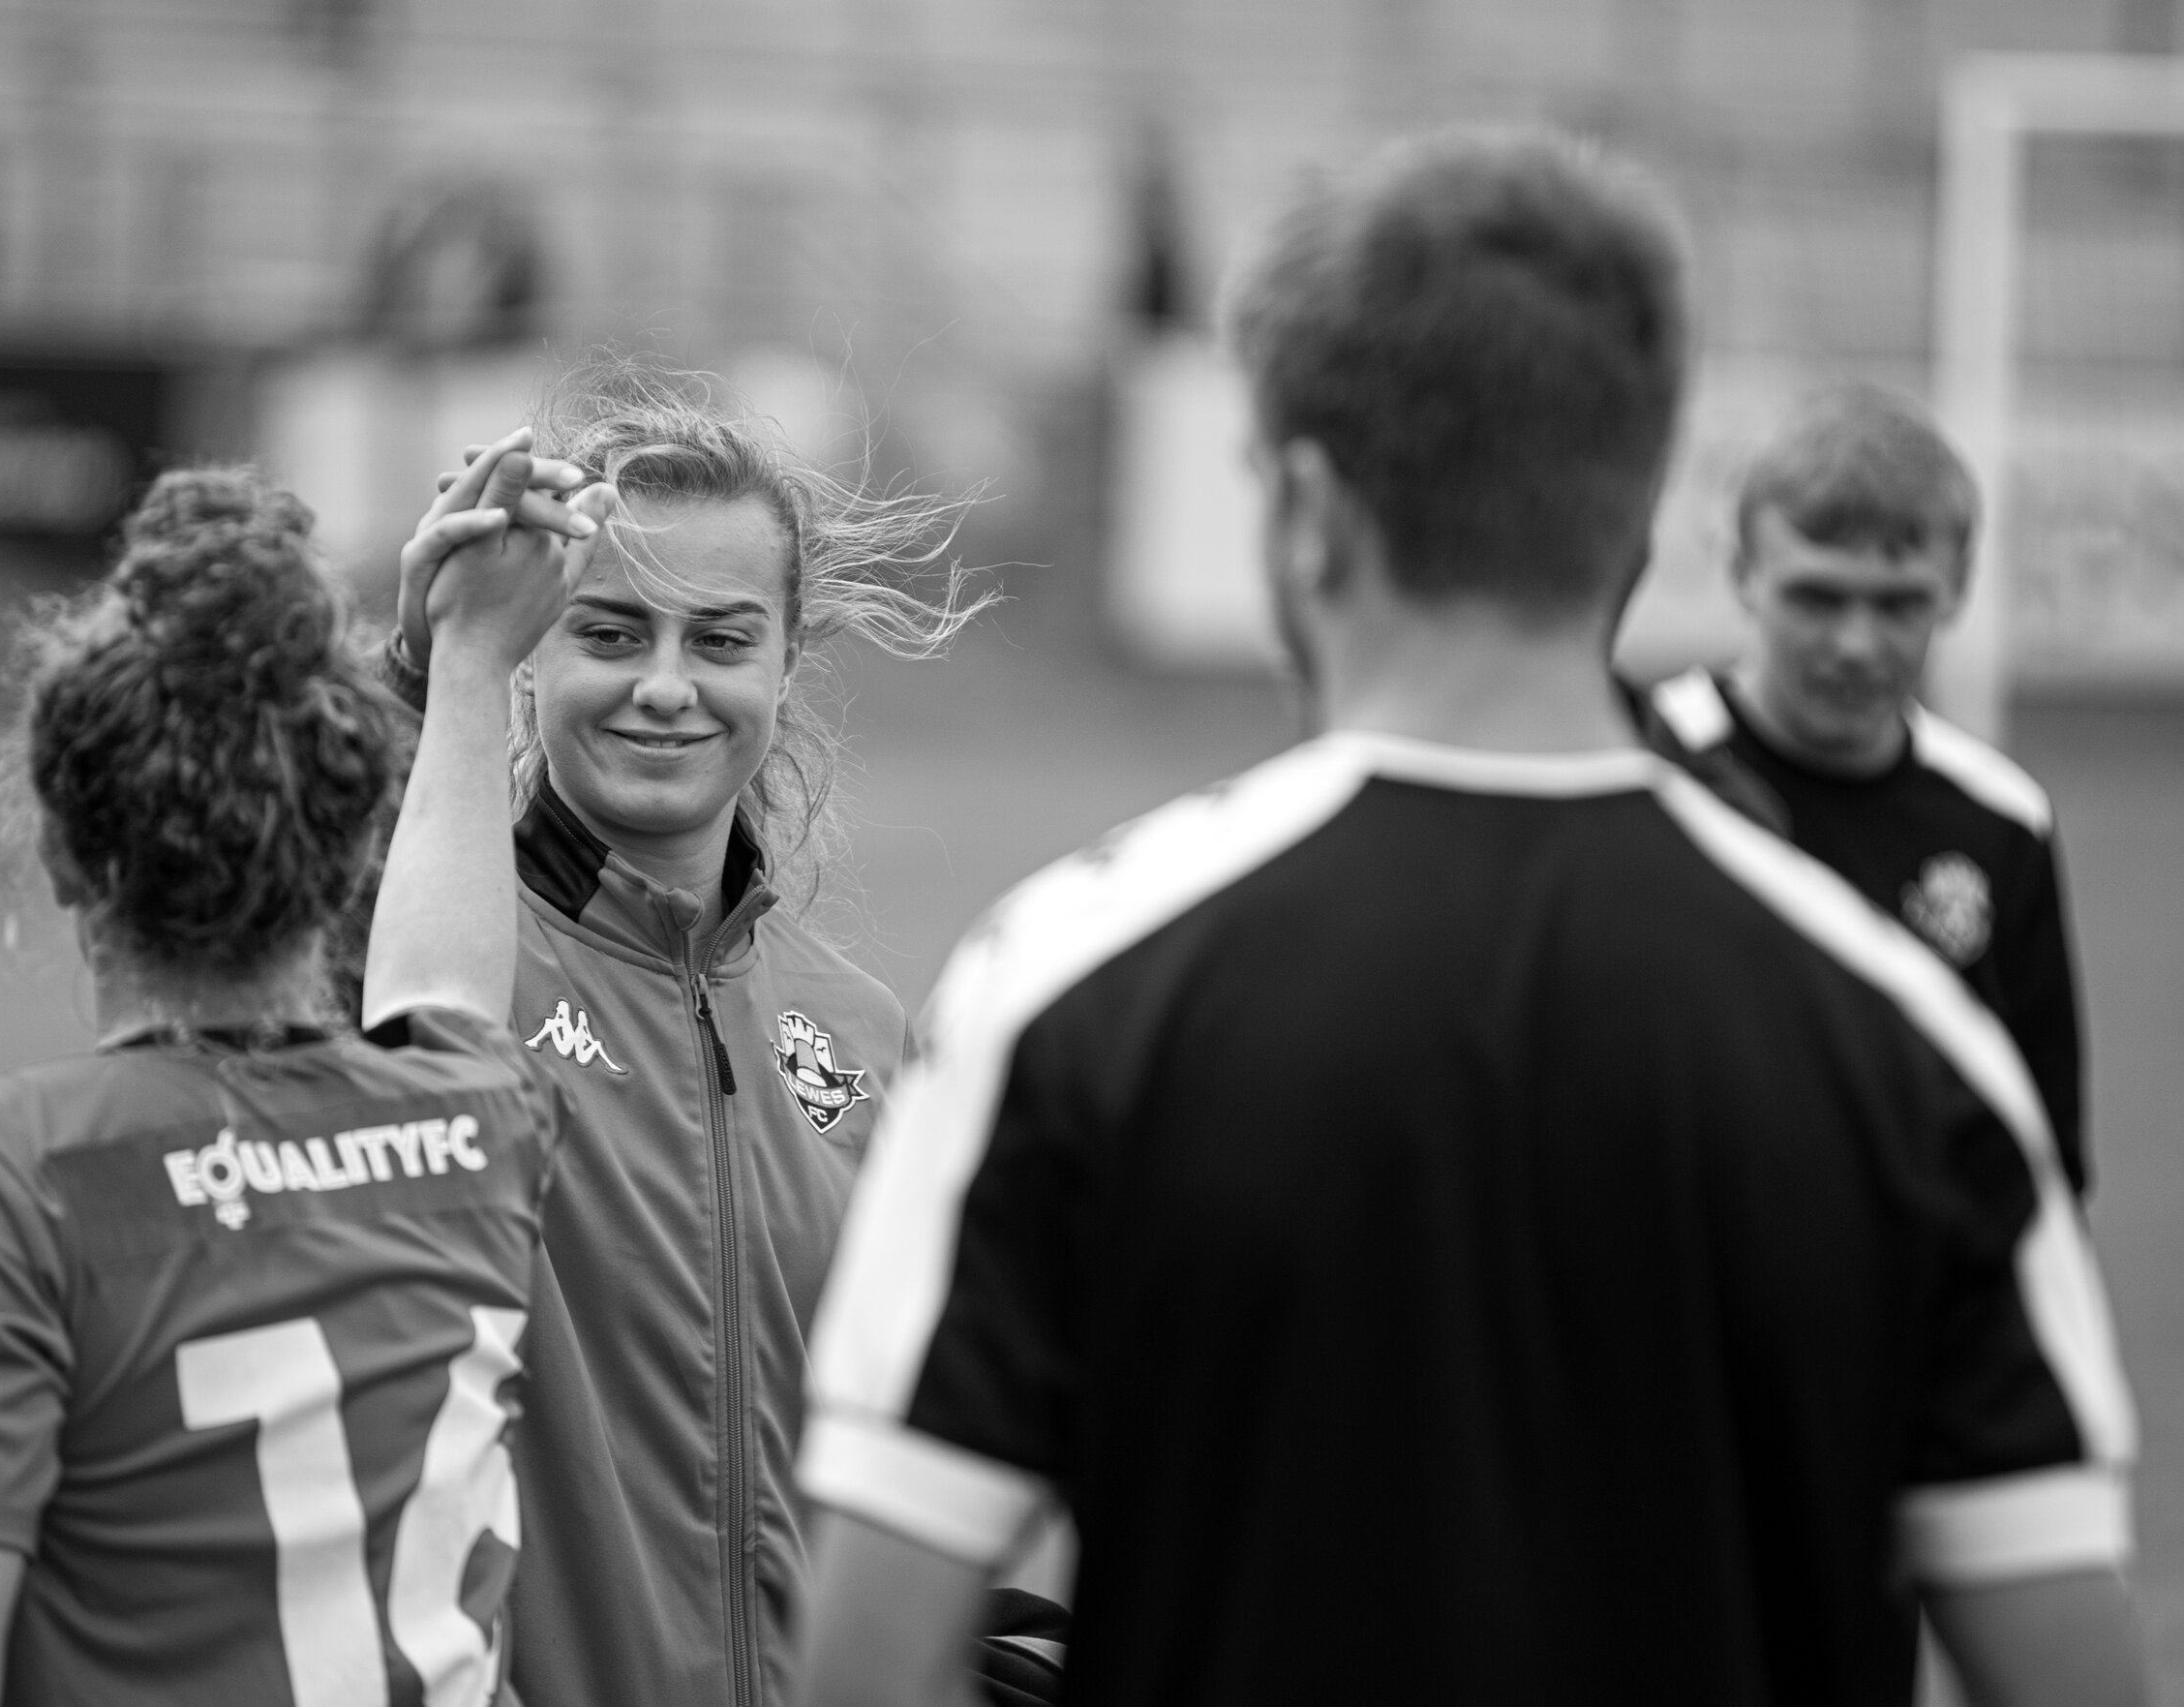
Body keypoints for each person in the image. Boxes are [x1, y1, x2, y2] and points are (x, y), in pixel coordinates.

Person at [790, 130, 2143, 1707]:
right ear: (1642, 531)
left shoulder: (1068, 987)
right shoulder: (1915, 1042)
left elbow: (870, 1653)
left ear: (1304, 511)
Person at [0, 452, 609, 1707]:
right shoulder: (475, 1124)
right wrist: (468, 667)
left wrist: (464, 667)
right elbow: (444, 991)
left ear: (69, 855)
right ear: (348, 852)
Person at [378, 365, 990, 1707]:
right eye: (609, 631)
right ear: (533, 647)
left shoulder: (860, 1029)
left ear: (786, 658)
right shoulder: (433, 953)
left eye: (720, 639)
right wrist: (428, 683)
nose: (666, 686)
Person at [1642, 383, 2091, 1196]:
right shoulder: (1649, 771)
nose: (1855, 643)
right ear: (1742, 573)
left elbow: (2040, 1155)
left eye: (1898, 604)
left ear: (1956, 587)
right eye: (1817, 596)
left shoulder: (1999, 819)